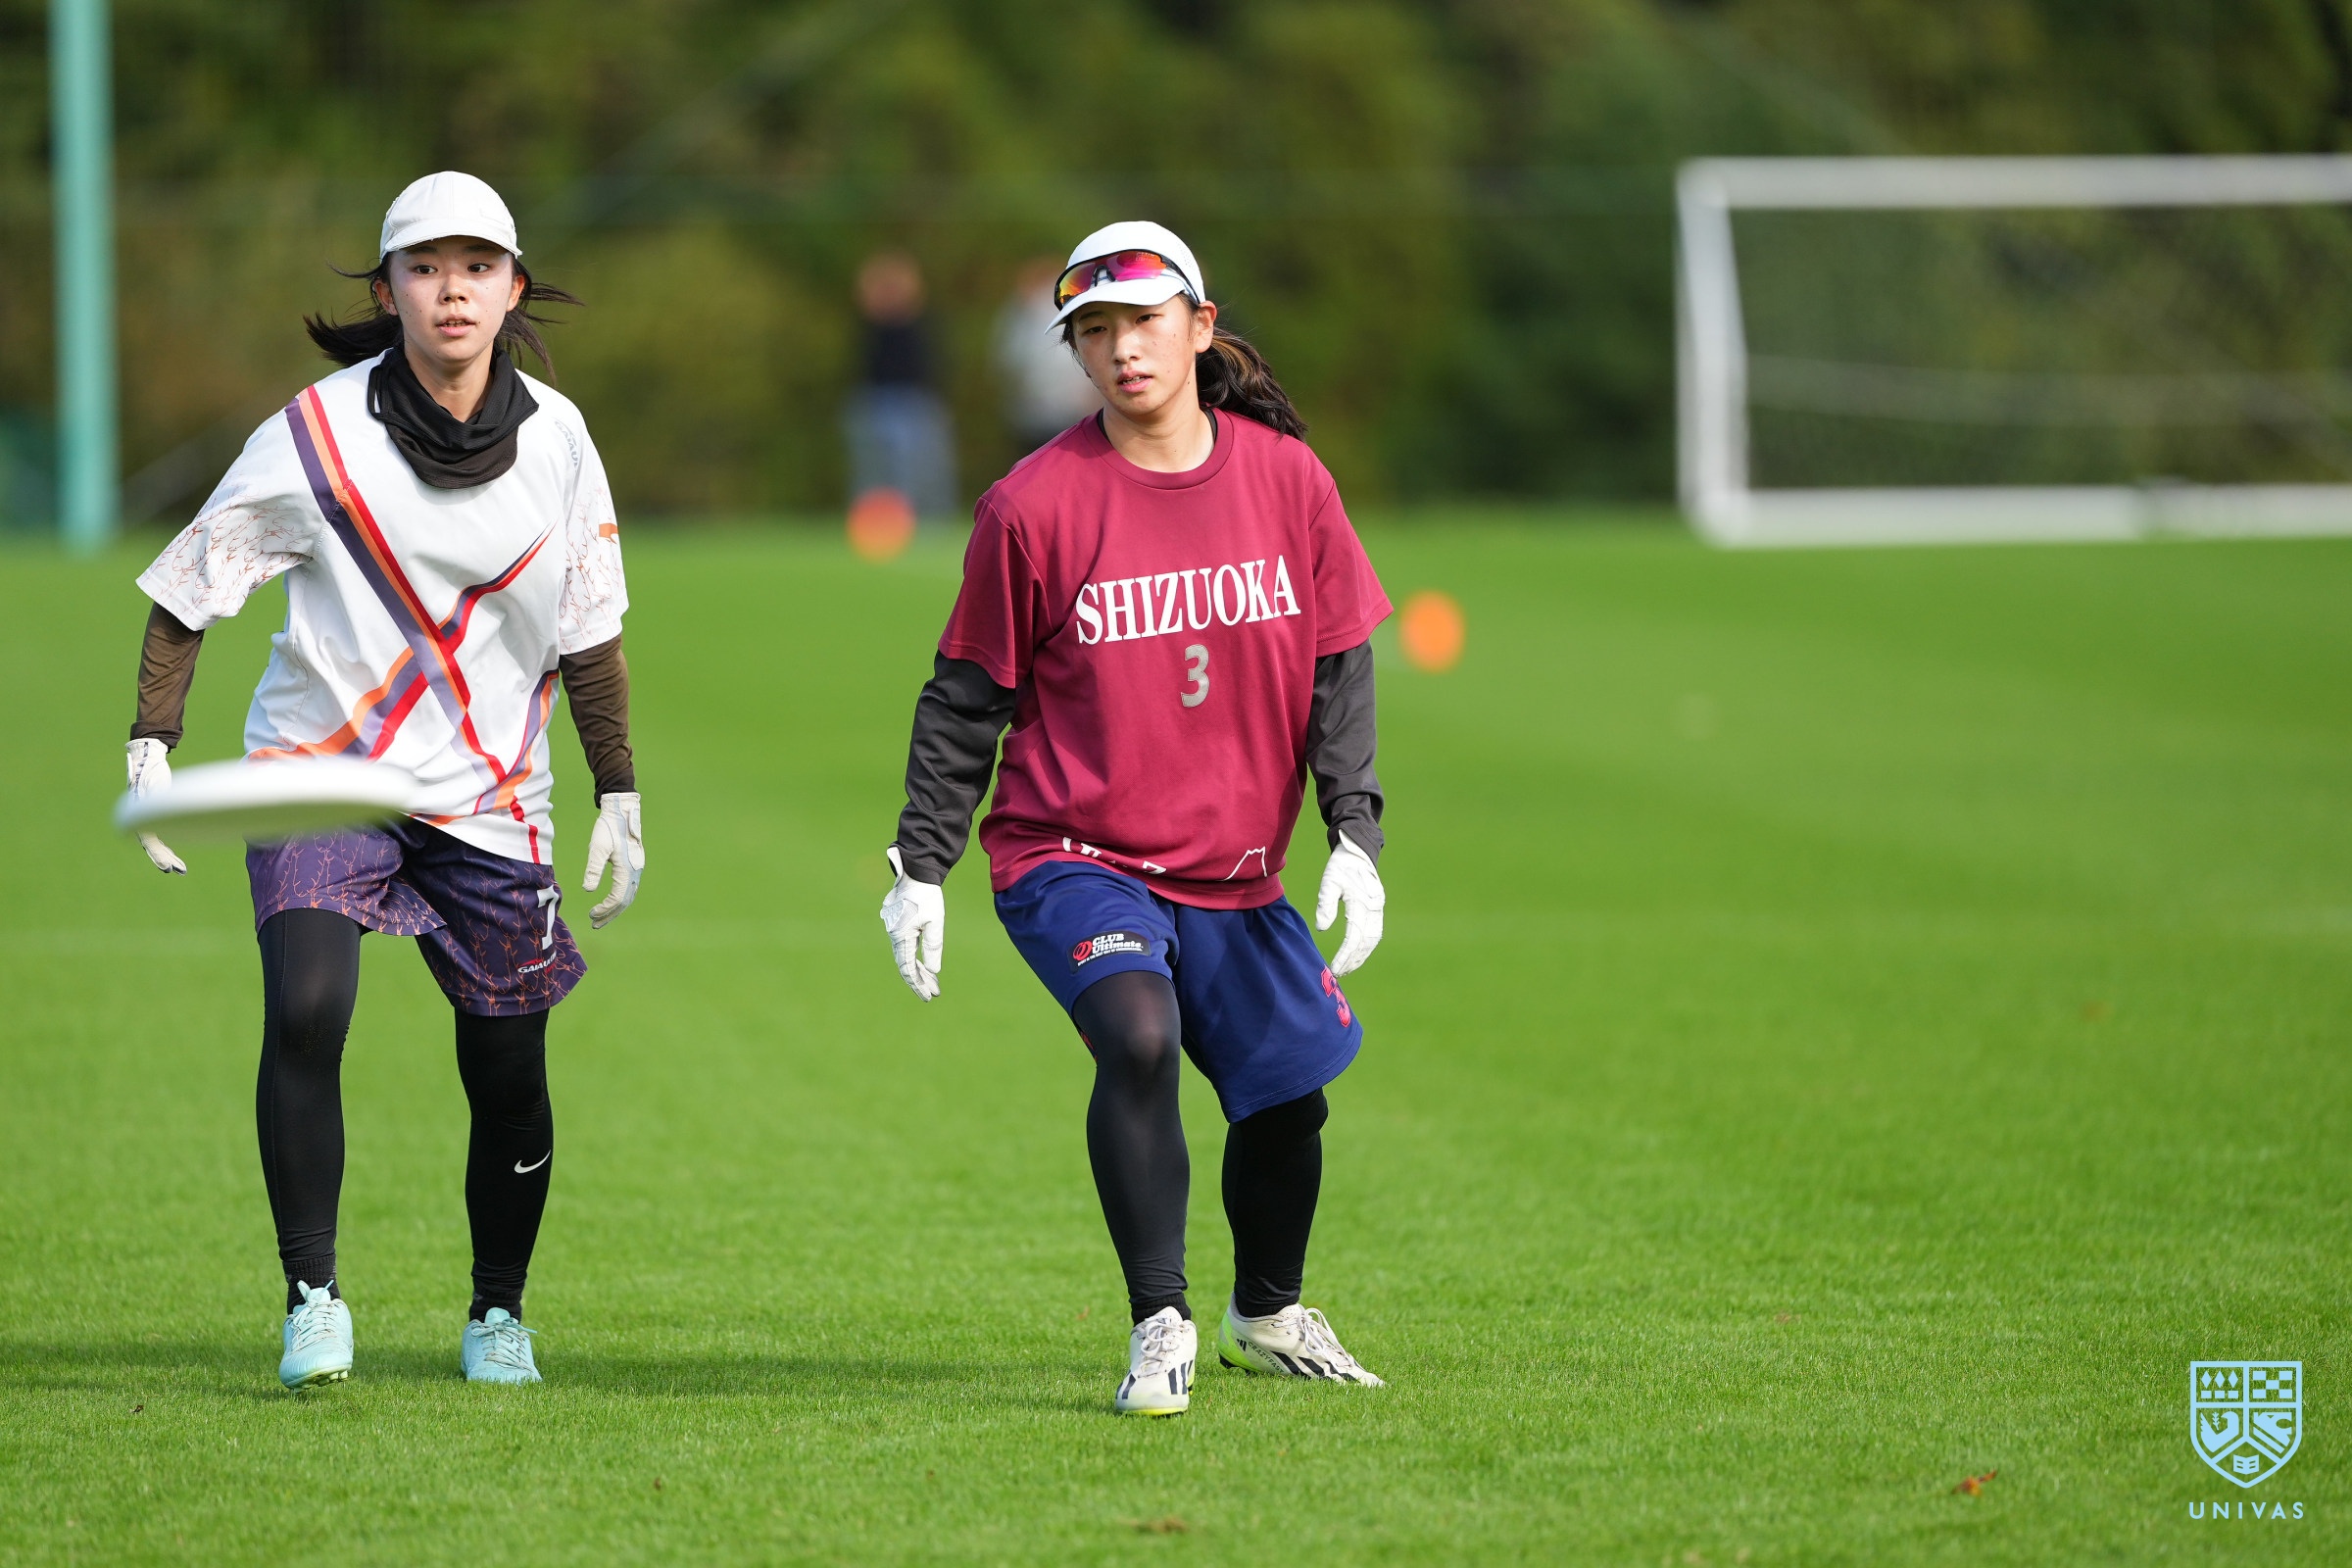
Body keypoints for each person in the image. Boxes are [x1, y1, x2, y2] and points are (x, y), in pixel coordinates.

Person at [122, 172, 642, 1391]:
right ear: (388, 288)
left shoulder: (560, 440)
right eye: (425, 267)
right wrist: (152, 742)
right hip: (321, 767)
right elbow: (189, 586)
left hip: (493, 793)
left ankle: (497, 1313)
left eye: (477, 267)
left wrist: (618, 790)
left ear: (513, 289)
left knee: (507, 1067)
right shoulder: (313, 434)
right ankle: (312, 1297)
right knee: (307, 1009)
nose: (452, 290)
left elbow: (592, 629)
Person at [879, 220, 1393, 1416]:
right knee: (1140, 1035)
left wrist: (1355, 833)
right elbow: (966, 696)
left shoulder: (1289, 481)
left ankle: (1268, 1311)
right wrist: (920, 864)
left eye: (1145, 323)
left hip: (1236, 865)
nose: (1122, 350)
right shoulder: (1031, 506)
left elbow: (1340, 664)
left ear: (1200, 327)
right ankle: (1159, 1319)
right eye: (1094, 331)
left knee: (1290, 1095)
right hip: (1074, 852)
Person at [843, 249, 956, 521]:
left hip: (916, 400)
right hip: (876, 398)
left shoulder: (919, 321)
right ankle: (876, 521)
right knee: (874, 469)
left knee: (921, 467)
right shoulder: (872, 323)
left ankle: (927, 521)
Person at [992, 255, 1102, 453]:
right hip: (1033, 417)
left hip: (1070, 413)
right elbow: (1008, 363)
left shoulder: (1065, 308)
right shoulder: (1019, 315)